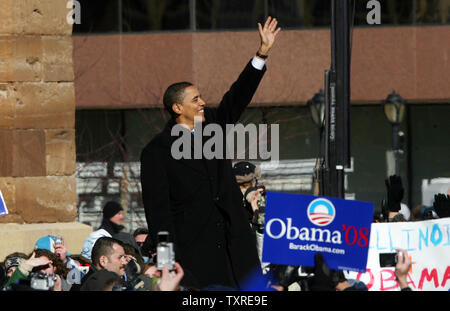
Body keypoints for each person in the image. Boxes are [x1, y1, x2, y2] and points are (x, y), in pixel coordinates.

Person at [140, 16, 281, 290]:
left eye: (201, 97)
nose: (203, 102)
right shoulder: (156, 152)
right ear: (177, 109)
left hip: (237, 247)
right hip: (195, 257)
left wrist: (262, 53)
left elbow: (238, 96)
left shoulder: (213, 125)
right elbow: (159, 214)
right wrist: (169, 265)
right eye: (195, 100)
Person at [3, 249, 70, 291]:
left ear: (55, 268)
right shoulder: (26, 285)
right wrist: (25, 266)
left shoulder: (67, 284)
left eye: (45, 267)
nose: (42, 271)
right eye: (37, 268)